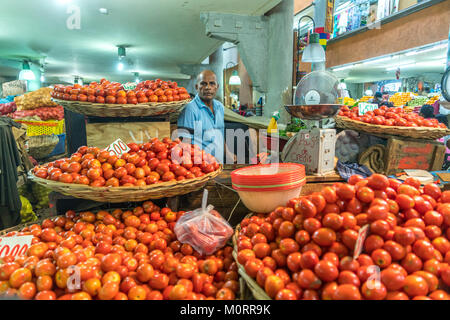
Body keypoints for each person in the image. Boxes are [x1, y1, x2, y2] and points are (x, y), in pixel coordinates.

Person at [177, 70, 234, 163]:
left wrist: (228, 153)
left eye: (212, 84)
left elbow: (220, 135)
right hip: (202, 167)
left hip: (219, 165)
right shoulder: (190, 109)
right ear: (196, 87)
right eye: (203, 84)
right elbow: (185, 144)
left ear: (217, 87)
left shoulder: (220, 107)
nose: (208, 87)